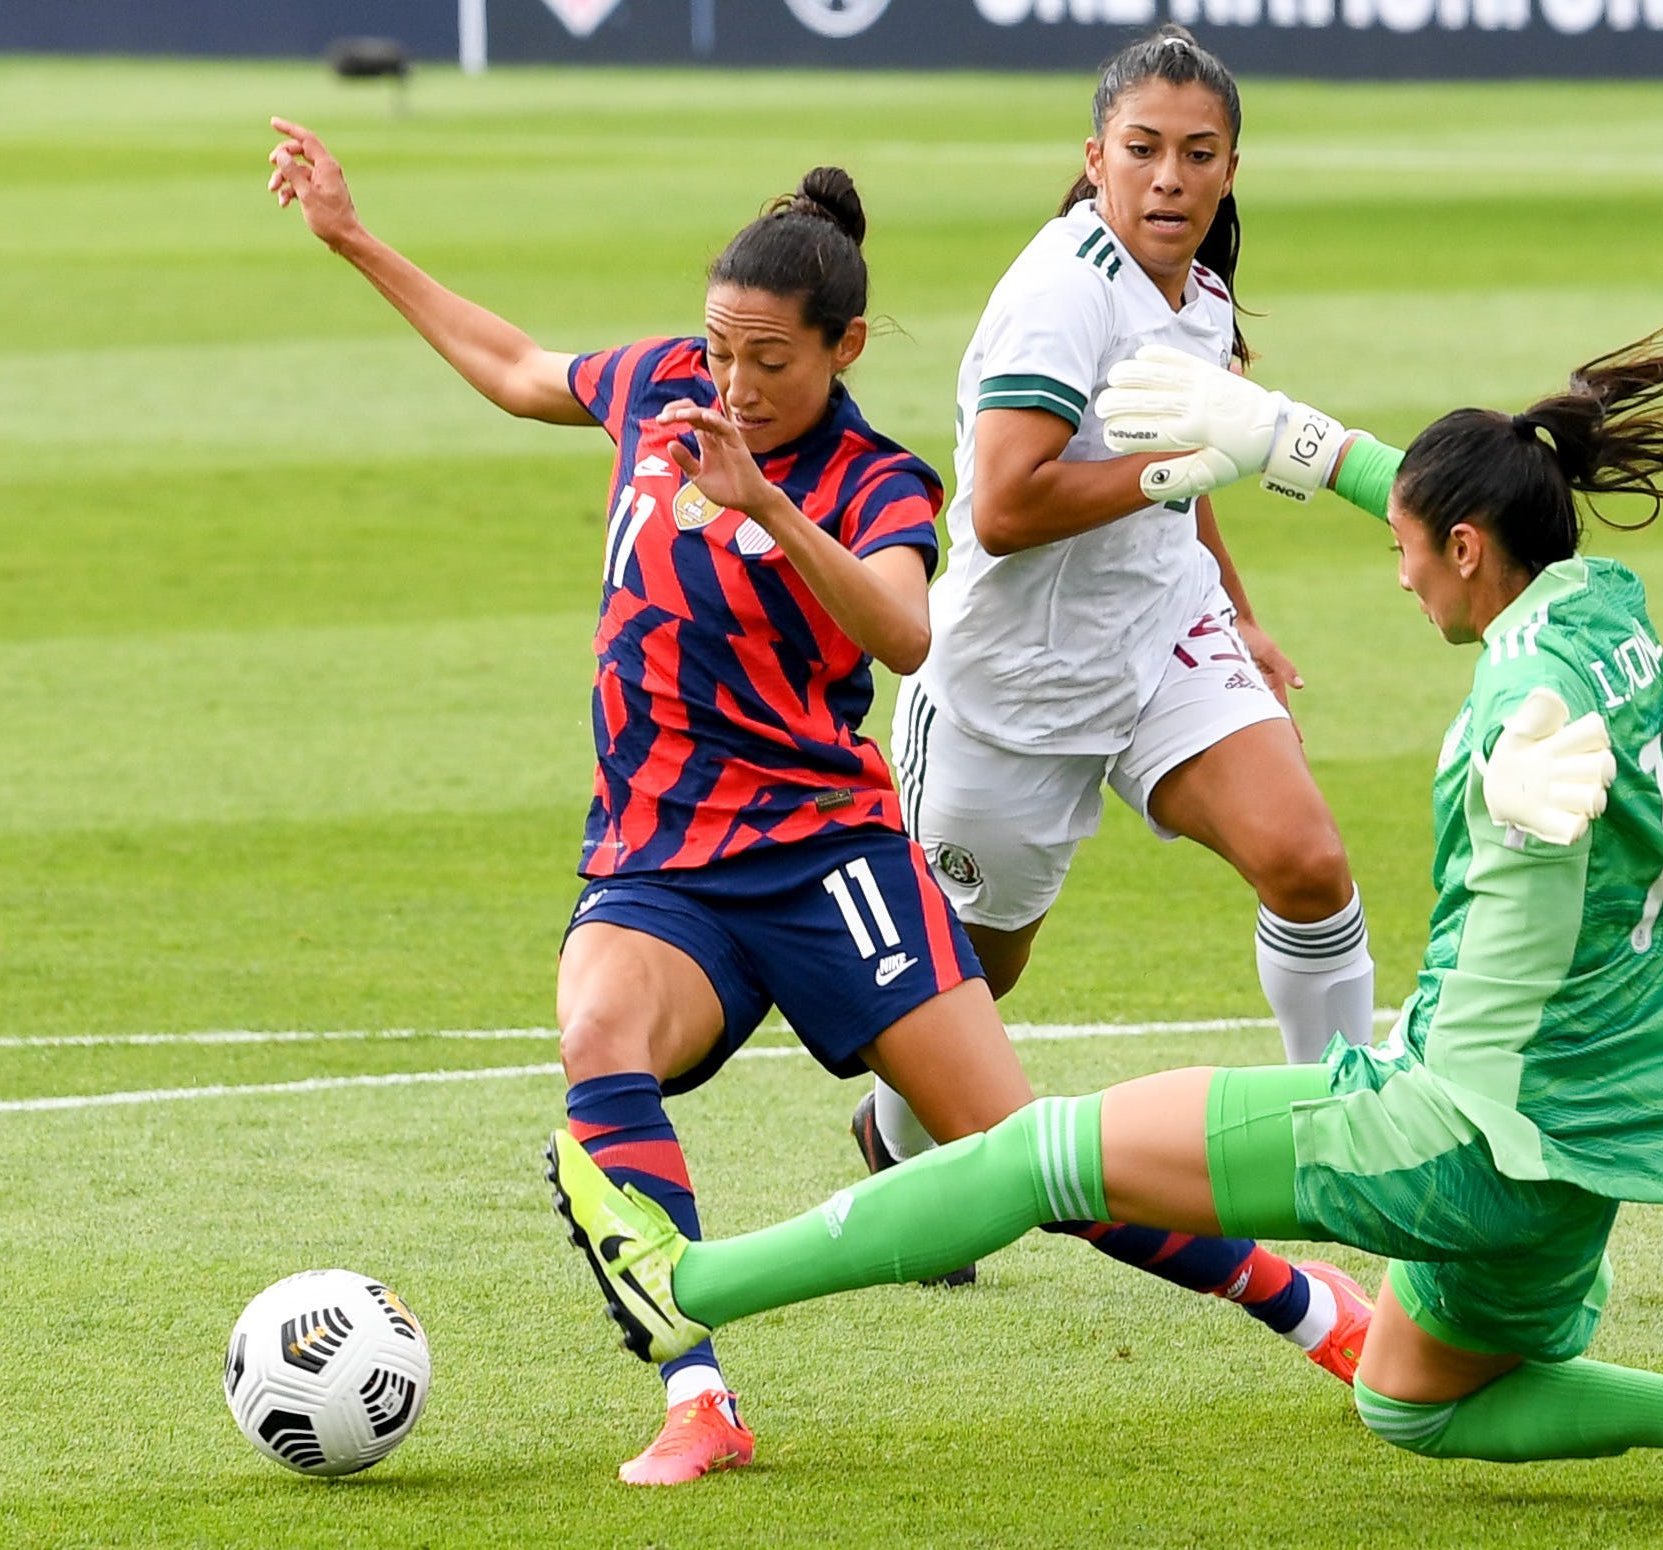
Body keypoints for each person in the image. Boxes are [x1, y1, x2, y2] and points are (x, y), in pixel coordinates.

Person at [543, 324, 1663, 1508]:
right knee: (1411, 1402)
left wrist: (1518, 826)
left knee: (1036, 1156)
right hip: (1593, 1150)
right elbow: (1437, 496)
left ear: (1467, 549)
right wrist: (1278, 437)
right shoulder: (1606, 609)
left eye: (1405, 553)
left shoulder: (1517, 721)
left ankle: (689, 1283)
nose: (1397, 575)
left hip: (1449, 1130)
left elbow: (1515, 928)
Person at [264, 121, 1372, 1486]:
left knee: (1022, 1157)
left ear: (841, 349)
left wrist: (768, 510)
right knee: (599, 1036)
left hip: (827, 859)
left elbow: (902, 631)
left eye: (767, 362)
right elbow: (514, 367)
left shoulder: (872, 479)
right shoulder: (663, 386)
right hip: (661, 864)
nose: (730, 386)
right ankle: (697, 1392)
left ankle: (1314, 1307)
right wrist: (353, 237)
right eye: (719, 352)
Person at [856, 26, 1375, 1185]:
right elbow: (1001, 504)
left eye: (1199, 153)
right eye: (1143, 150)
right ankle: (892, 1131)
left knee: (1306, 860)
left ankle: (1358, 1150)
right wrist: (1180, 468)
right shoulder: (1059, 294)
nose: (1171, 177)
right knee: (981, 974)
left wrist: (1236, 607)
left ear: (1232, 166)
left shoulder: (1200, 286)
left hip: (1165, 640)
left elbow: (1191, 464)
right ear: (1096, 158)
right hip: (1009, 687)